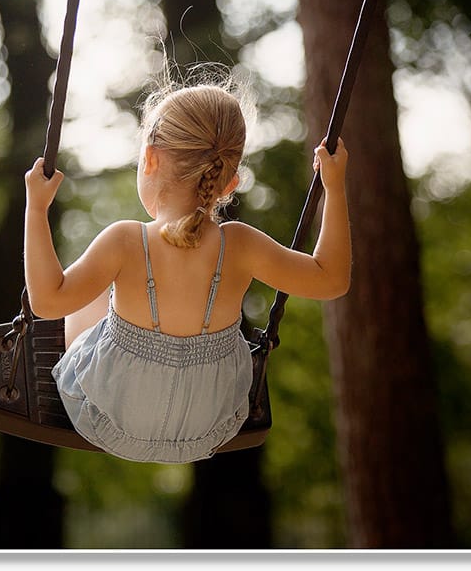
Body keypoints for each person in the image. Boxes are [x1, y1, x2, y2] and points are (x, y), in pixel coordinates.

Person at [23, 71, 350, 463]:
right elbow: (331, 278)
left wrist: (37, 209)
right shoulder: (241, 245)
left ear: (150, 158)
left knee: (84, 299)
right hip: (210, 425)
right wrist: (334, 185)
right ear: (230, 183)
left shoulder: (125, 241)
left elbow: (46, 301)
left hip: (109, 418)